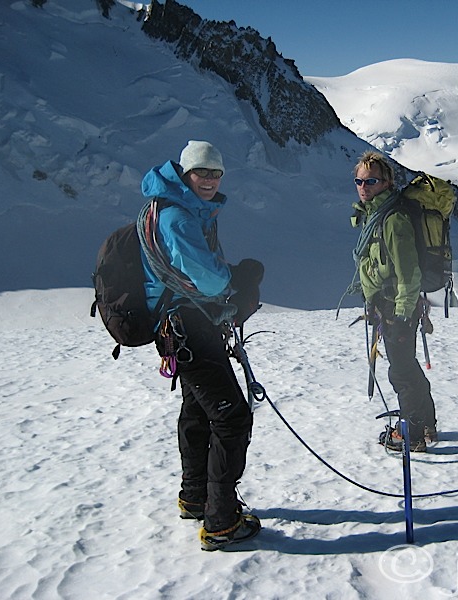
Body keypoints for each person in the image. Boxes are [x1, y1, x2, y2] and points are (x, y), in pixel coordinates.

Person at [139, 140, 263, 551]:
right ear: (185, 173)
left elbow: (194, 268)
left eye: (215, 173)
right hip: (189, 326)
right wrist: (237, 281)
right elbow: (206, 280)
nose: (209, 180)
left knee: (196, 409)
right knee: (231, 418)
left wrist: (227, 275)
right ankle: (221, 521)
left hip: (181, 328)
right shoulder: (177, 217)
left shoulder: (175, 208)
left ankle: (195, 496)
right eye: (201, 172)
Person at [350, 150, 437, 452]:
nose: (364, 187)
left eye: (371, 181)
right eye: (359, 181)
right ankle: (425, 424)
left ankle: (412, 434)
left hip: (396, 305)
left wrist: (401, 313)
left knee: (400, 370)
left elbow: (408, 271)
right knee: (407, 366)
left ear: (386, 182)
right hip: (386, 303)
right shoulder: (377, 215)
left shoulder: (393, 218)